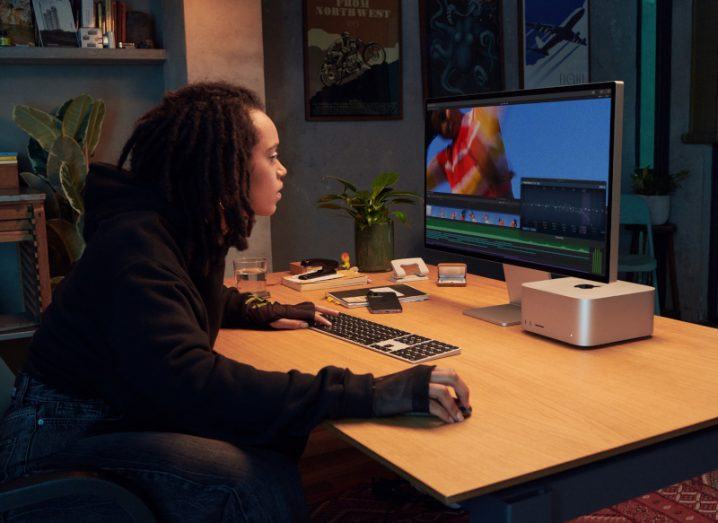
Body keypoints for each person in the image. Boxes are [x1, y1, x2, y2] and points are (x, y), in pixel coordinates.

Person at [0, 83, 471, 522]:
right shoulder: (135, 249)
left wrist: (259, 310)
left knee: (269, 441)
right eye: (271, 156)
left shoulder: (176, 227)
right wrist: (370, 391)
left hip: (103, 413)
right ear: (221, 166)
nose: (283, 169)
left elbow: (184, 297)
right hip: (55, 439)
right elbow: (192, 384)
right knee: (249, 481)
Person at [427, 107, 515, 198]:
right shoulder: (445, 159)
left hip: (500, 207)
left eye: (442, 116)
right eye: (437, 128)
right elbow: (419, 182)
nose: (444, 125)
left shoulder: (478, 114)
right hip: (466, 211)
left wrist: (496, 178)